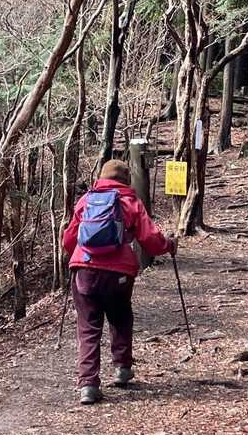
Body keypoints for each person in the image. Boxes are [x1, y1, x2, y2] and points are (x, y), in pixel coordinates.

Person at [61, 158, 175, 405]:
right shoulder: (131, 202)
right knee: (120, 316)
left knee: (88, 327)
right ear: (126, 179)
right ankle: (122, 368)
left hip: (85, 270)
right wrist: (168, 245)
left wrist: (79, 257)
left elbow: (69, 240)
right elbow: (151, 240)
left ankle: (88, 385)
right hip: (119, 273)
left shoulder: (86, 200)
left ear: (101, 177)